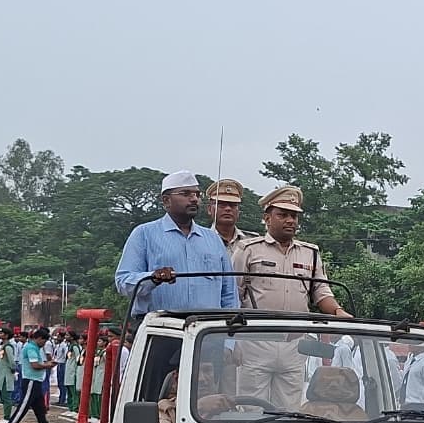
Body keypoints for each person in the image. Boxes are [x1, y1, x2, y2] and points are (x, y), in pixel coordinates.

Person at [233, 185, 350, 409]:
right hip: (256, 341)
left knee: (289, 410)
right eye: (283, 215)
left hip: (294, 344)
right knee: (250, 409)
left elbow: (321, 291)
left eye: (294, 216)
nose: (290, 221)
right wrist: (233, 341)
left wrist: (337, 311)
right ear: (267, 218)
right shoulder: (248, 249)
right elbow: (233, 295)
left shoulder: (310, 253)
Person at [115, 170, 240, 319]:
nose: (194, 199)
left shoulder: (213, 239)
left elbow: (229, 293)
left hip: (206, 331)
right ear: (166, 200)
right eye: (186, 194)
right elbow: (123, 283)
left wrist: (228, 338)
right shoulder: (144, 234)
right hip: (160, 328)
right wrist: (153, 278)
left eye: (197, 195)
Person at [2, 328, 56, 423]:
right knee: (23, 407)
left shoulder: (35, 348)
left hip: (36, 381)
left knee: (40, 409)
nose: (44, 344)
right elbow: (35, 365)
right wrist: (48, 365)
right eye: (44, 341)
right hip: (31, 380)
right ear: (39, 338)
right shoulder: (31, 348)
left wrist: (47, 364)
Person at [205, 178, 253, 255]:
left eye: (233, 205)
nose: (228, 209)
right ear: (210, 209)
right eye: (221, 204)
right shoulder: (201, 239)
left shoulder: (252, 242)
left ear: (238, 211)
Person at [0, 328, 18, 423]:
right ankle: (5, 416)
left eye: (1, 333)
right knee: (3, 396)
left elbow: (11, 361)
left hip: (6, 375)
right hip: (2, 373)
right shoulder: (3, 346)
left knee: (6, 397)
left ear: (7, 335)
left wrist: (13, 370)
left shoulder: (8, 347)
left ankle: (7, 417)